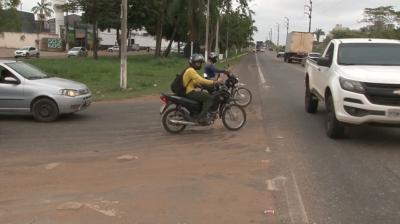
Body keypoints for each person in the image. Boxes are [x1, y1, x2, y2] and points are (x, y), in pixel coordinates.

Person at [183, 54, 221, 123]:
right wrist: (214, 82)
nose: (199, 65)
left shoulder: (189, 70)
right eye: (198, 63)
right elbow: (200, 80)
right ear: (193, 63)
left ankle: (201, 113)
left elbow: (194, 81)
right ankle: (202, 117)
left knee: (204, 95)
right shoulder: (191, 70)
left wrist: (199, 85)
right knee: (209, 98)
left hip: (189, 91)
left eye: (200, 63)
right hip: (190, 92)